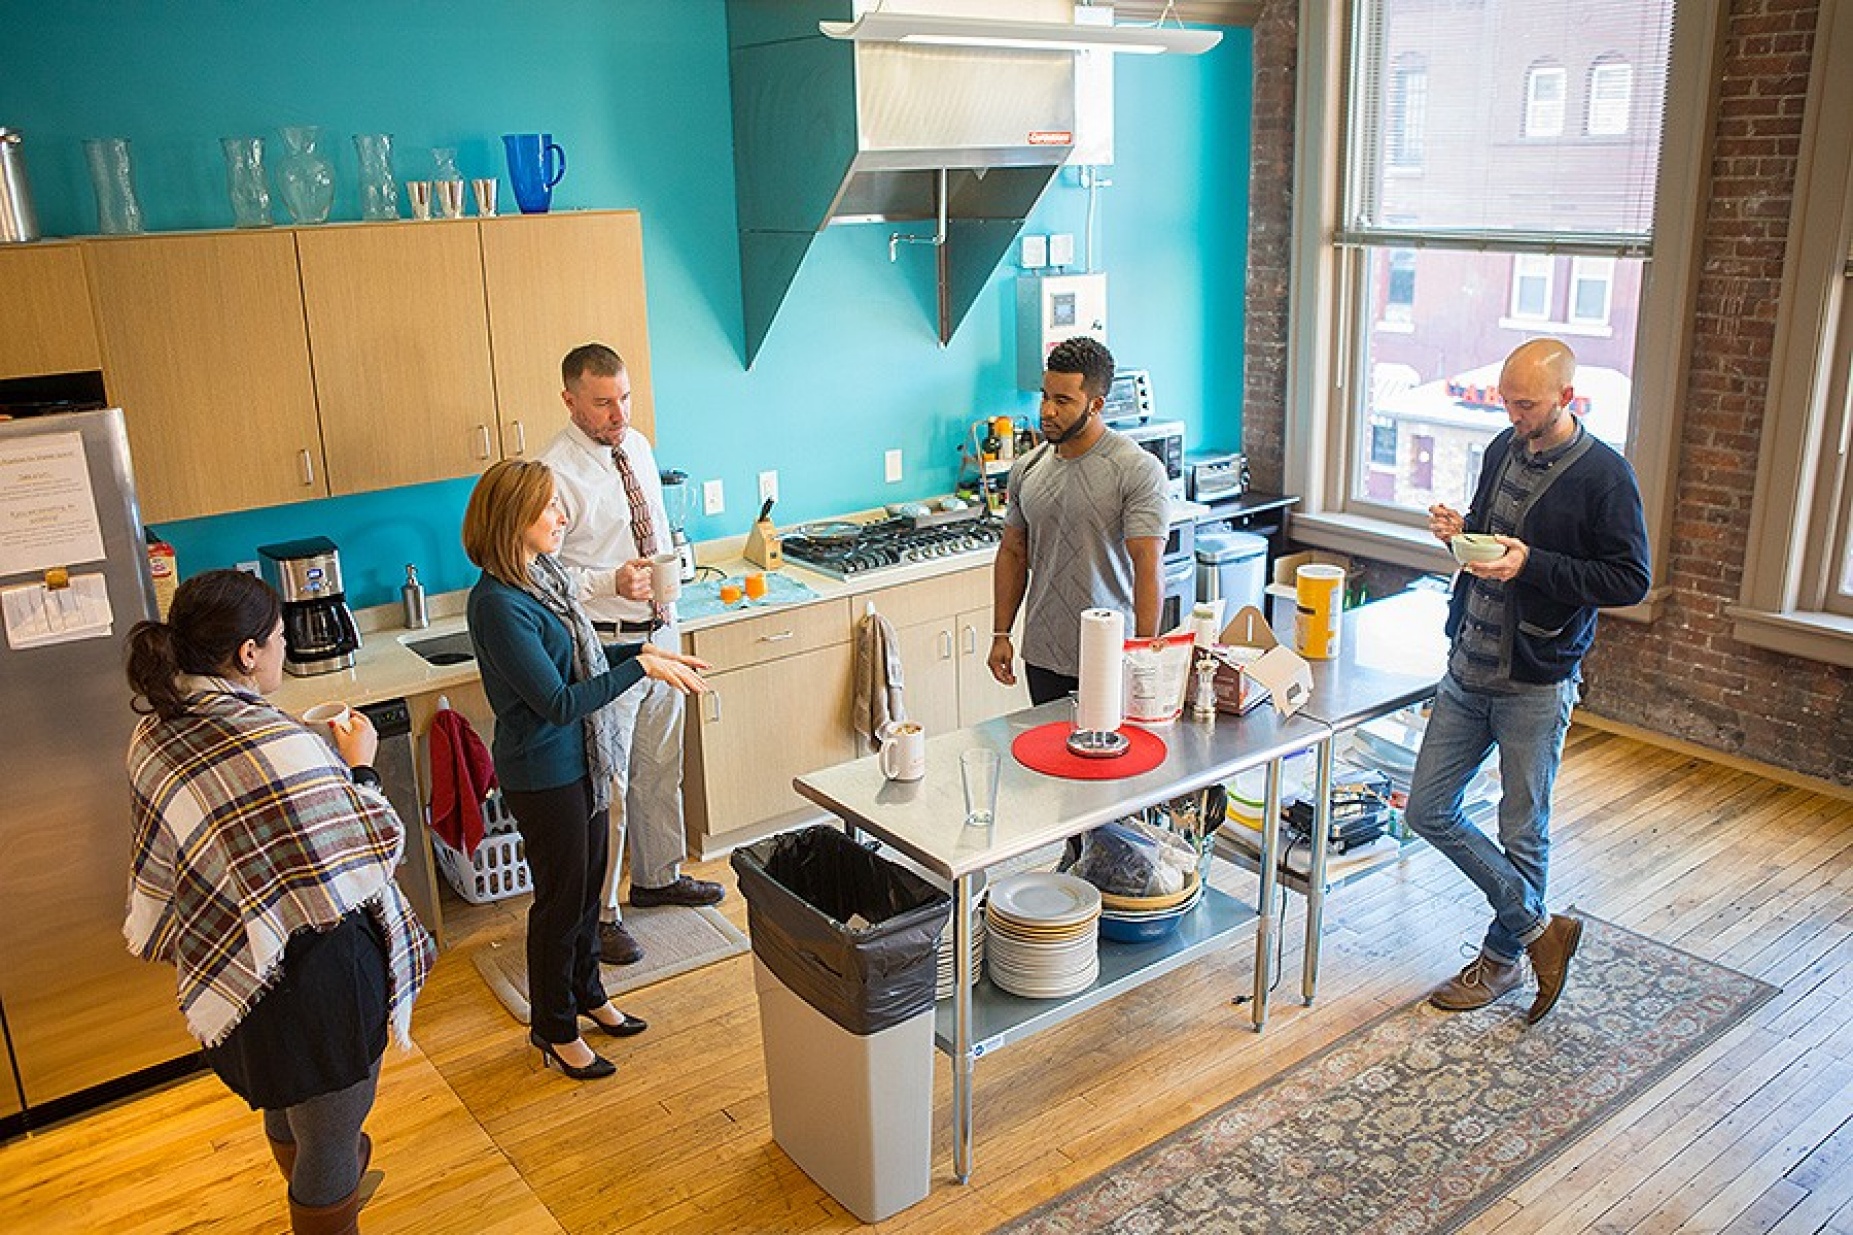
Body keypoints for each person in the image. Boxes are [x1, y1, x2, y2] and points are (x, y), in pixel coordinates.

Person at [124, 569, 434, 1235]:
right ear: (247, 653)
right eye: (279, 637)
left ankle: (320, 1191)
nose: (285, 648)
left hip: (242, 967)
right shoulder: (279, 742)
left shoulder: (157, 731)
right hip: (318, 975)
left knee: (284, 1097)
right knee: (332, 1134)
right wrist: (360, 765)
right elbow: (367, 846)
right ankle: (328, 1204)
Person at [1407, 337, 1651, 1024]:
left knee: (1522, 832)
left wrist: (1532, 564)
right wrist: (1460, 532)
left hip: (1536, 680)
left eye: (1526, 405)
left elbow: (1629, 580)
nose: (1513, 416)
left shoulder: (1605, 476)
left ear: (1566, 398)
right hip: (1467, 664)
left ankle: (1502, 959)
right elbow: (1495, 538)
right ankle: (1541, 928)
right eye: (1507, 402)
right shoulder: (1501, 448)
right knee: (1426, 810)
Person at [463, 458, 710, 1082]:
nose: (561, 517)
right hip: (543, 772)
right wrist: (641, 668)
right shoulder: (498, 604)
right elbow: (557, 700)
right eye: (549, 507)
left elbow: (583, 659)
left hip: (583, 762)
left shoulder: (542, 578)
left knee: (588, 888)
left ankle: (588, 994)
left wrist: (641, 650)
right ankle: (553, 1028)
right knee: (560, 902)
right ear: (512, 518)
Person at [537, 342, 724, 968]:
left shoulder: (637, 446)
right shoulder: (553, 472)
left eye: (624, 398)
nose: (618, 414)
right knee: (610, 785)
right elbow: (543, 573)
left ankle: (657, 876)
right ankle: (602, 913)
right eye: (602, 403)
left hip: (660, 631)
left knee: (659, 765)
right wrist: (609, 582)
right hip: (604, 644)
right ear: (569, 401)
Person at [988, 336, 1170, 704]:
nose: (1047, 411)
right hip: (1042, 654)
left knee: (1107, 743)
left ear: (1096, 404)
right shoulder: (1027, 468)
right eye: (1045, 396)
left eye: (1063, 401)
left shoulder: (1136, 468)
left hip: (1111, 652)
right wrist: (1000, 633)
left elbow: (1148, 566)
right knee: (1049, 742)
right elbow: (1012, 553)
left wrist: (1143, 653)